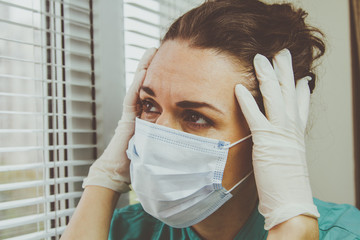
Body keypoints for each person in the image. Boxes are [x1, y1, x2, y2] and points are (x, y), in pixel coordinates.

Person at [61, 0, 360, 239]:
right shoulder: (120, 230)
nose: (153, 135)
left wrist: (293, 225)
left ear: (266, 132)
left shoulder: (346, 233)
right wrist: (105, 177)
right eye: (149, 105)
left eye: (195, 116)